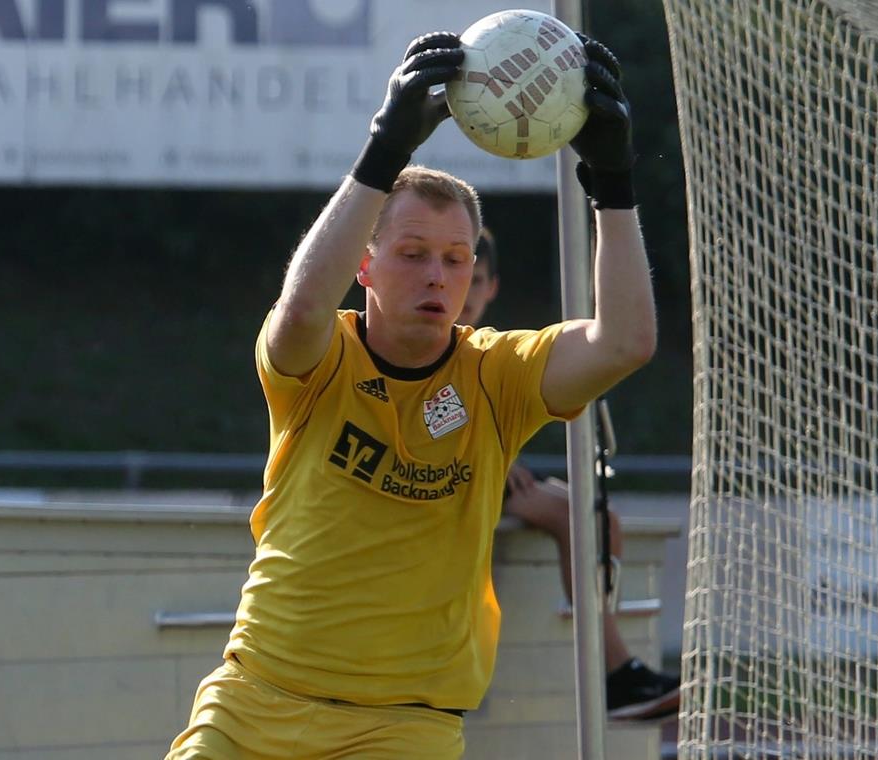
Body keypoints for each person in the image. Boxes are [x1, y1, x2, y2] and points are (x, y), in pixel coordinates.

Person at [168, 29, 657, 759]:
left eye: (457, 260)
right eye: (413, 254)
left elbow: (624, 343)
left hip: (404, 727)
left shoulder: (497, 375)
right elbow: (299, 309)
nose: (438, 276)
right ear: (365, 267)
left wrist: (613, 191)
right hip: (254, 703)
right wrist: (381, 153)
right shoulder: (320, 356)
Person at [461, 227, 681, 721]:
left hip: (484, 471)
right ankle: (615, 673)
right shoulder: (433, 338)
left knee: (596, 514)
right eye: (461, 276)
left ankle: (605, 651)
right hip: (447, 478)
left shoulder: (490, 346)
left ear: (493, 287)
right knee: (572, 514)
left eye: (477, 281)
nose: (467, 293)